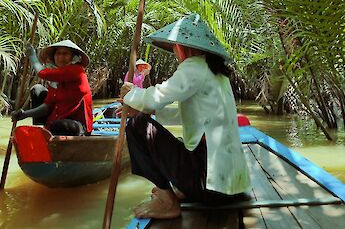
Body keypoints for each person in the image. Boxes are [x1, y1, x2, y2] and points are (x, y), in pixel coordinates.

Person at [119, 13, 251, 220]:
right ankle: (186, 188)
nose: (175, 53)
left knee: (137, 126)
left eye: (174, 48)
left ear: (182, 47)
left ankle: (167, 201)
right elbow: (189, 115)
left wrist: (131, 94)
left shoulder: (194, 66)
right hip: (229, 189)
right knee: (158, 127)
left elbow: (154, 97)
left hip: (209, 187)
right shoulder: (215, 72)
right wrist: (145, 108)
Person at [12, 40, 93, 136]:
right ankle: (44, 130)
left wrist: (33, 57)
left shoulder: (76, 70)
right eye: (58, 54)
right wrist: (25, 114)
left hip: (77, 126)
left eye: (65, 54)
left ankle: (49, 132)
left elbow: (42, 73)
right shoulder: (55, 79)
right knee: (37, 90)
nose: (61, 57)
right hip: (56, 122)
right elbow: (47, 106)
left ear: (73, 57)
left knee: (59, 125)